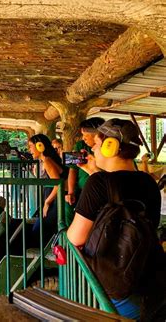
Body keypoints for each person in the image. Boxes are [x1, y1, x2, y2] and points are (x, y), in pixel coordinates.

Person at [67, 119, 164, 320]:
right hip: (149, 283)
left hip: (113, 288)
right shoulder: (148, 182)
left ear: (111, 146)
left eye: (96, 142)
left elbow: (75, 238)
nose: (92, 148)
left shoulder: (98, 183)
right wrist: (94, 172)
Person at [28, 134, 67, 244]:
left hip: (55, 200)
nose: (29, 150)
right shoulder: (44, 161)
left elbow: (58, 184)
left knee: (38, 231)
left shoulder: (47, 161)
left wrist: (47, 202)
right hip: (53, 198)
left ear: (40, 146)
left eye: (31, 146)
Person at [65, 118, 105, 208]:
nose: (83, 138)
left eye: (85, 134)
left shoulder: (109, 152)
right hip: (82, 190)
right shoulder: (81, 145)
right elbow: (73, 169)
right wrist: (71, 192)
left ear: (96, 135)